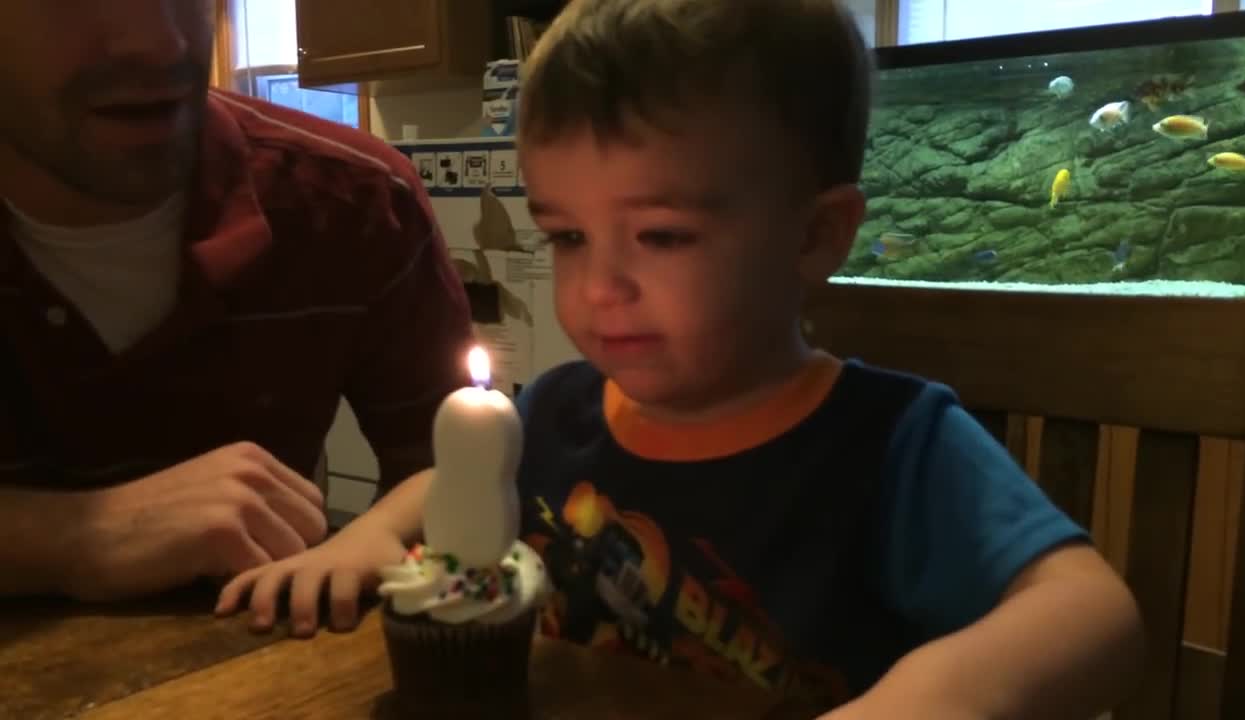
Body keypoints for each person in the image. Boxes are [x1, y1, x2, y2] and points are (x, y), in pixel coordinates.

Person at [220, 0, 1144, 716]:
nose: (598, 288)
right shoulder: (559, 410)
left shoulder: (889, 446)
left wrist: (939, 697)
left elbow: (1095, 614)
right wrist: (361, 541)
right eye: (570, 236)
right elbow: (453, 480)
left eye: (661, 236)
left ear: (816, 235)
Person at [0, 1, 472, 603]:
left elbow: (454, 465)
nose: (159, 43)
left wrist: (372, 539)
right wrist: (75, 538)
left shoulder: (359, 200)